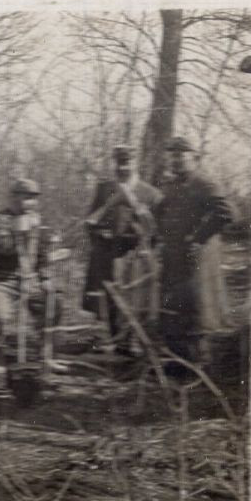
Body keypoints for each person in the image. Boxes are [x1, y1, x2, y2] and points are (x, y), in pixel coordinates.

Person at [154, 137, 236, 363]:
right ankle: (175, 360)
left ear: (193, 157)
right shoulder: (170, 186)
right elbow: (160, 214)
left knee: (192, 308)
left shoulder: (204, 184)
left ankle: (195, 363)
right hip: (170, 256)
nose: (175, 161)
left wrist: (199, 238)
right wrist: (159, 237)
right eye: (172, 157)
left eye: (180, 156)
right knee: (170, 307)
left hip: (192, 259)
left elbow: (226, 212)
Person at [81, 144, 162, 348]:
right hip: (106, 252)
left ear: (135, 163)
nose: (122, 168)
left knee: (132, 302)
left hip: (133, 256)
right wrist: (98, 235)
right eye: (119, 163)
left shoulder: (151, 194)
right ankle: (107, 339)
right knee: (104, 300)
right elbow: (90, 220)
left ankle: (130, 342)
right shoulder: (104, 188)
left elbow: (156, 232)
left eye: (126, 163)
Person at [0, 178, 58, 364]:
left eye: (34, 198)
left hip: (29, 279)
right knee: (2, 317)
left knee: (52, 304)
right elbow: (3, 247)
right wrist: (22, 232)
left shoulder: (36, 221)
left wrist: (45, 276)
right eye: (26, 197)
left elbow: (42, 252)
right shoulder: (0, 220)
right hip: (1, 280)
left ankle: (44, 355)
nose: (31, 203)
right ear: (14, 198)